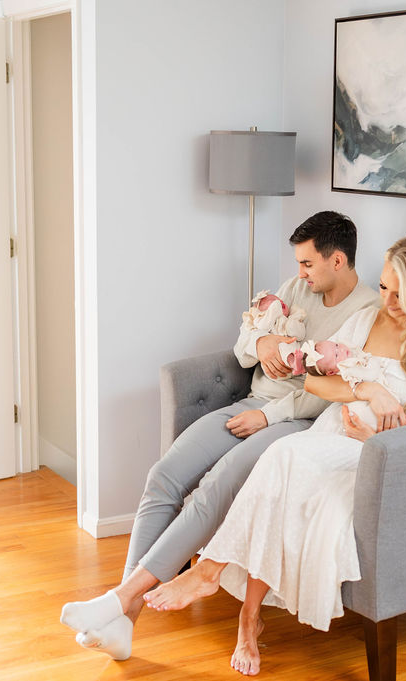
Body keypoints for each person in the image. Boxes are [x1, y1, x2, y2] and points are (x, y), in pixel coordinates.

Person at [143, 234, 406, 676]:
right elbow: (314, 379)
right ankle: (239, 607)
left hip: (377, 458)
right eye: (385, 287)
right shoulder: (368, 321)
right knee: (282, 461)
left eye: (401, 295)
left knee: (287, 462)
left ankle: (219, 582)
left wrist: (375, 440)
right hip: (328, 436)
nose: (388, 301)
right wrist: (368, 389)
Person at [59, 211, 380, 659]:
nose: (300, 272)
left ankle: (122, 607)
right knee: (163, 475)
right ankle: (124, 617)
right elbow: (245, 344)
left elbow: (338, 392)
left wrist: (268, 417)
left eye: (307, 263)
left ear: (338, 260)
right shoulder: (296, 290)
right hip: (249, 404)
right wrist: (262, 344)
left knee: (217, 485)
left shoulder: (366, 314)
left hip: (294, 423)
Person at [242, 290, 307, 339]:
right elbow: (263, 328)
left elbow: (301, 335)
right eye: (273, 301)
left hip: (288, 349)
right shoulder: (260, 322)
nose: (280, 301)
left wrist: (289, 325)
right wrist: (273, 312)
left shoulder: (292, 317)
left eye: (279, 300)